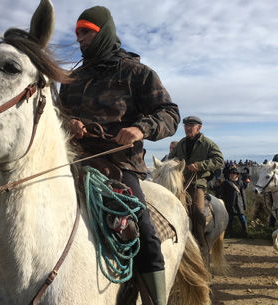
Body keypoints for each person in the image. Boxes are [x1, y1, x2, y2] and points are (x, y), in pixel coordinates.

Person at [59, 6, 180, 305]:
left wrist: (140, 128)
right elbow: (56, 115)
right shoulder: (71, 79)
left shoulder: (137, 73)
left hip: (118, 164)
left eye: (86, 31)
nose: (80, 39)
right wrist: (66, 123)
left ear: (103, 33)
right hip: (72, 159)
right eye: (77, 33)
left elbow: (169, 114)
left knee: (146, 234)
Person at [168, 115, 223, 263]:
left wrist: (199, 166)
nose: (187, 128)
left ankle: (201, 244)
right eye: (186, 125)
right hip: (181, 181)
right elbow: (170, 157)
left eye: (191, 125)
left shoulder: (207, 144)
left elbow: (219, 160)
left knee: (198, 211)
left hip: (197, 182)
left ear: (199, 128)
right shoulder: (181, 143)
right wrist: (175, 161)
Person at [221, 167, 248, 238]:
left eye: (234, 173)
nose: (232, 174)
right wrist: (224, 204)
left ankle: (246, 233)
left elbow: (243, 195)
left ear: (237, 175)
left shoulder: (240, 183)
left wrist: (245, 205)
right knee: (229, 221)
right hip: (229, 204)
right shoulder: (225, 183)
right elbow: (223, 195)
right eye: (231, 173)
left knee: (242, 219)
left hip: (239, 204)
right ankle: (229, 234)